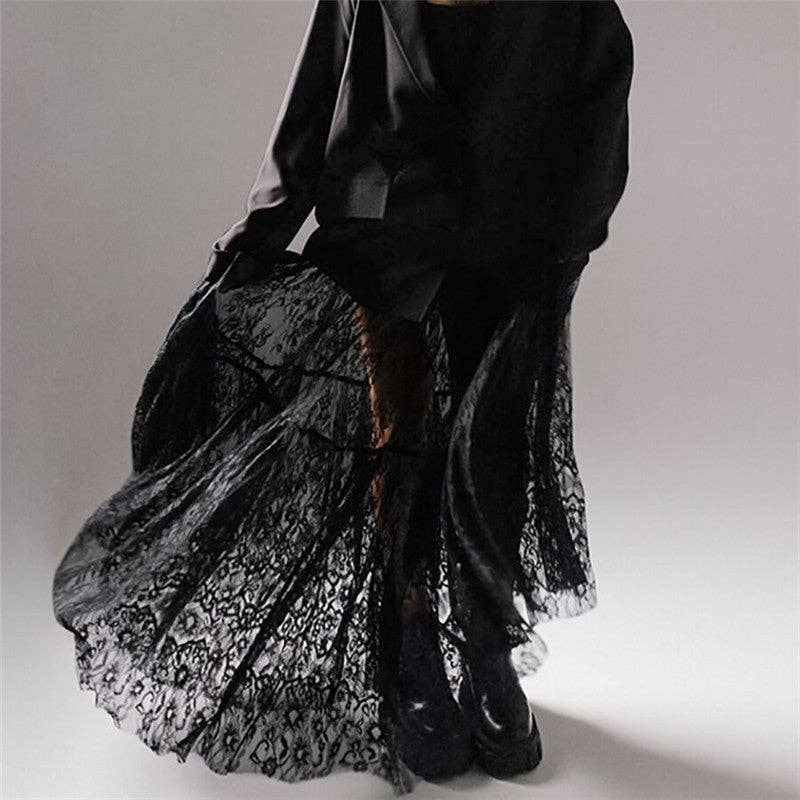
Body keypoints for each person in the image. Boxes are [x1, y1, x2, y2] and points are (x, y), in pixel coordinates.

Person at [52, 0, 633, 793]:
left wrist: (572, 236)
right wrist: (260, 230)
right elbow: (314, 93)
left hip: (512, 242)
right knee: (402, 439)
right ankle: (412, 635)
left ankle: (487, 649)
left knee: (493, 444)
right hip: (387, 235)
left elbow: (602, 95)